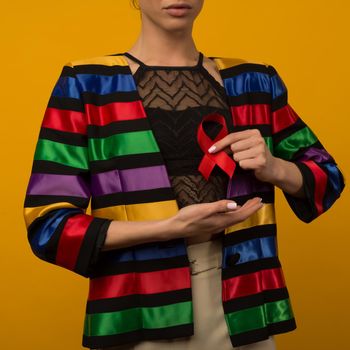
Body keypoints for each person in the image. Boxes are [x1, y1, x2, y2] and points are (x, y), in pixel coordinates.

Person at [23, 1, 344, 349]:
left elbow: (327, 177)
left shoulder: (254, 81)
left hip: (245, 306)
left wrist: (275, 167)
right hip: (139, 307)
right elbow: (49, 226)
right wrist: (169, 229)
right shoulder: (87, 85)